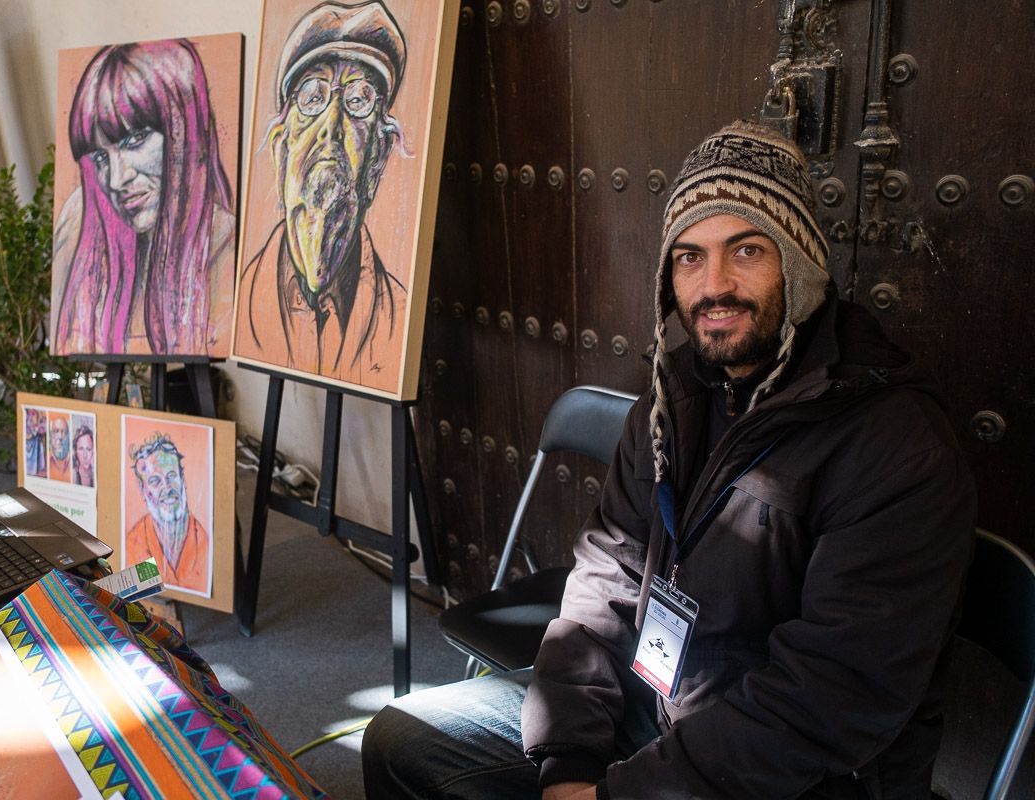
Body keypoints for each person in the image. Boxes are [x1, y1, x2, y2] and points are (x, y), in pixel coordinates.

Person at [362, 121, 977, 799]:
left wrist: (624, 794)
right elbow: (606, 572)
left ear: (799, 260)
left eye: (745, 249)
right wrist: (568, 761)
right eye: (689, 256)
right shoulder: (680, 391)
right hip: (656, 709)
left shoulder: (895, 443)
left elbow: (828, 697)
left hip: (791, 774)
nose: (714, 285)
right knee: (402, 741)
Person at [237, 1, 407, 380]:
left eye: (358, 100)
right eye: (313, 98)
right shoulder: (245, 302)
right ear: (282, 147)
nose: (333, 125)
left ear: (377, 157)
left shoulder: (399, 312)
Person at [52, 38, 236, 356]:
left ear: (183, 132)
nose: (116, 178)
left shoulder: (223, 244)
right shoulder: (80, 220)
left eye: (135, 140)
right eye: (99, 157)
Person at [125, 433, 209, 594]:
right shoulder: (135, 543)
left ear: (182, 479)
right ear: (144, 491)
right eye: (155, 481)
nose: (167, 487)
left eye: (171, 476)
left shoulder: (205, 540)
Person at [47, 414, 71, 482]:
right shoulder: (46, 460)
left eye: (63, 432)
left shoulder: (74, 461)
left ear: (68, 436)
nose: (60, 437)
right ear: (50, 436)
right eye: (56, 431)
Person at [72, 423, 95, 488]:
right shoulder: (72, 475)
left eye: (88, 449)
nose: (85, 455)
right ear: (75, 451)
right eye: (81, 449)